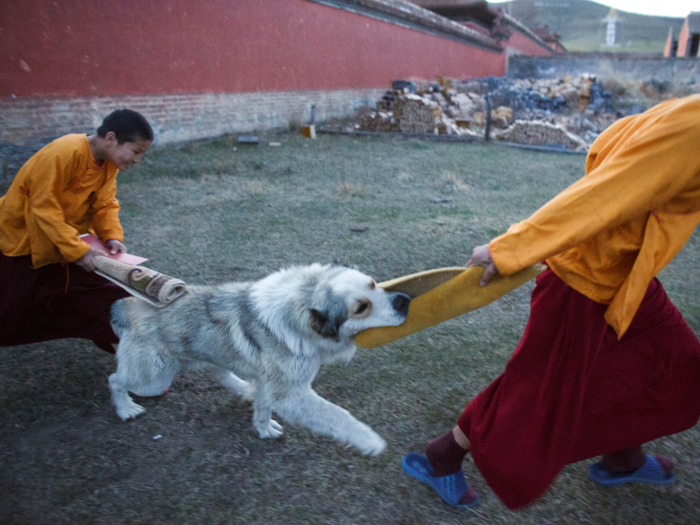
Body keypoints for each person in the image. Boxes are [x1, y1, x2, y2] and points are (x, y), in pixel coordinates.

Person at [401, 94, 700, 510]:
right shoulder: (695, 127)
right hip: (584, 283)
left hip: (629, 280)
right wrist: (510, 248)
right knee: (533, 391)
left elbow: (608, 145)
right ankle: (442, 455)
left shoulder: (690, 111)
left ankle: (622, 456)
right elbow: (604, 189)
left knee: (677, 365)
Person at [0, 109, 154, 354]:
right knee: (12, 312)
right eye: (136, 152)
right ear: (111, 139)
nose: (137, 160)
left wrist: (111, 236)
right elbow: (44, 209)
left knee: (103, 293)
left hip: (68, 241)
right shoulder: (65, 151)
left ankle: (131, 345)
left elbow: (105, 203)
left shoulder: (108, 165)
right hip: (23, 240)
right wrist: (79, 252)